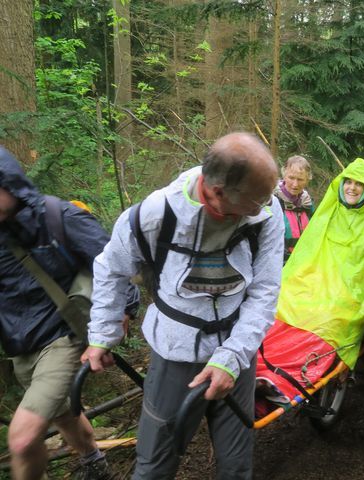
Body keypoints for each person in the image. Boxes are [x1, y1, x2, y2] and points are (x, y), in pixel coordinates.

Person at [81, 132, 284, 479]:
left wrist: (233, 357)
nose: (267, 205)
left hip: (239, 349)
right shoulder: (154, 215)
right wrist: (102, 334)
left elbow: (265, 291)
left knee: (236, 467)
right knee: (154, 465)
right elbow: (110, 268)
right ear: (218, 192)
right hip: (175, 355)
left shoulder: (267, 211)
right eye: (257, 200)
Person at [0, 146, 139, 480]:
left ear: (9, 183)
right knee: (63, 416)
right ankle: (95, 464)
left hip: (62, 336)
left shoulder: (58, 217)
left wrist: (124, 313)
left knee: (21, 438)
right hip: (21, 347)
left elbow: (117, 267)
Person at [256, 158, 364, 404]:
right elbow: (308, 254)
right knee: (283, 300)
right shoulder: (328, 213)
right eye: (348, 182)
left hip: (349, 292)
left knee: (329, 317)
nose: (352, 187)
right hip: (314, 283)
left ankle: (292, 376)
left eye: (359, 184)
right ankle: (258, 367)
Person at [273, 155, 314, 261]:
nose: (295, 184)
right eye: (291, 178)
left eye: (300, 179)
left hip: (303, 262)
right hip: (278, 263)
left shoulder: (308, 204)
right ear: (284, 175)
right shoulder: (272, 201)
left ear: (307, 180)